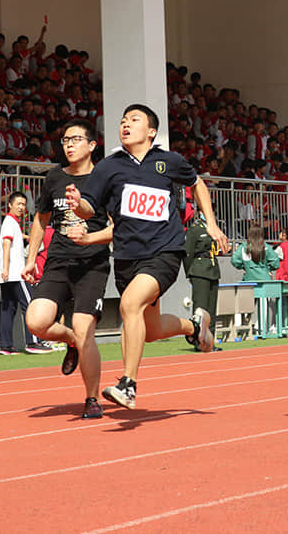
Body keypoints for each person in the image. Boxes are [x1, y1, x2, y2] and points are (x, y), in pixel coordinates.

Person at [66, 104, 228, 410]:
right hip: (127, 257)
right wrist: (78, 206)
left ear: (151, 131)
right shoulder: (108, 167)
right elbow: (89, 206)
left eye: (134, 120)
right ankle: (195, 325)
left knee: (129, 306)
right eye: (123, 120)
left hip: (165, 252)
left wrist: (212, 223)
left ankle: (128, 384)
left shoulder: (169, 161)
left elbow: (197, 184)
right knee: (149, 329)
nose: (126, 124)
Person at [22, 119, 112, 419]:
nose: (69, 144)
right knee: (36, 321)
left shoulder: (105, 179)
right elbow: (41, 219)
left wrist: (90, 238)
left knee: (86, 328)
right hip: (59, 261)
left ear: (91, 145)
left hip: (92, 264)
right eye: (65, 140)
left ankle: (91, 398)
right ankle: (71, 340)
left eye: (75, 139)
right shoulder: (54, 178)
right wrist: (31, 258)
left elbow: (119, 227)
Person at [0, 192, 52, 355]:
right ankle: (33, 342)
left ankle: (6, 346)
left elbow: (15, 237)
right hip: (14, 272)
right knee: (30, 304)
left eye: (23, 204)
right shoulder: (10, 222)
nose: (21, 207)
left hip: (7, 274)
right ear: (10, 205)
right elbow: (6, 244)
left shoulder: (11, 223)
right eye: (18, 204)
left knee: (8, 308)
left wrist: (29, 237)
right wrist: (6, 268)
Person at [183, 208, 226, 351]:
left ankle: (209, 342)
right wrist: (190, 273)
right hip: (199, 270)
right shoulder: (195, 229)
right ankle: (198, 341)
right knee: (200, 309)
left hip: (213, 269)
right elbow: (188, 253)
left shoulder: (214, 228)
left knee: (211, 309)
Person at [231, 225, 281, 335]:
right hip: (264, 281)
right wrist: (268, 268)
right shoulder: (266, 247)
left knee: (245, 306)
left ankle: (244, 328)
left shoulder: (244, 247)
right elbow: (276, 262)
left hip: (248, 280)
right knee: (263, 306)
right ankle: (261, 328)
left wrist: (243, 267)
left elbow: (234, 260)